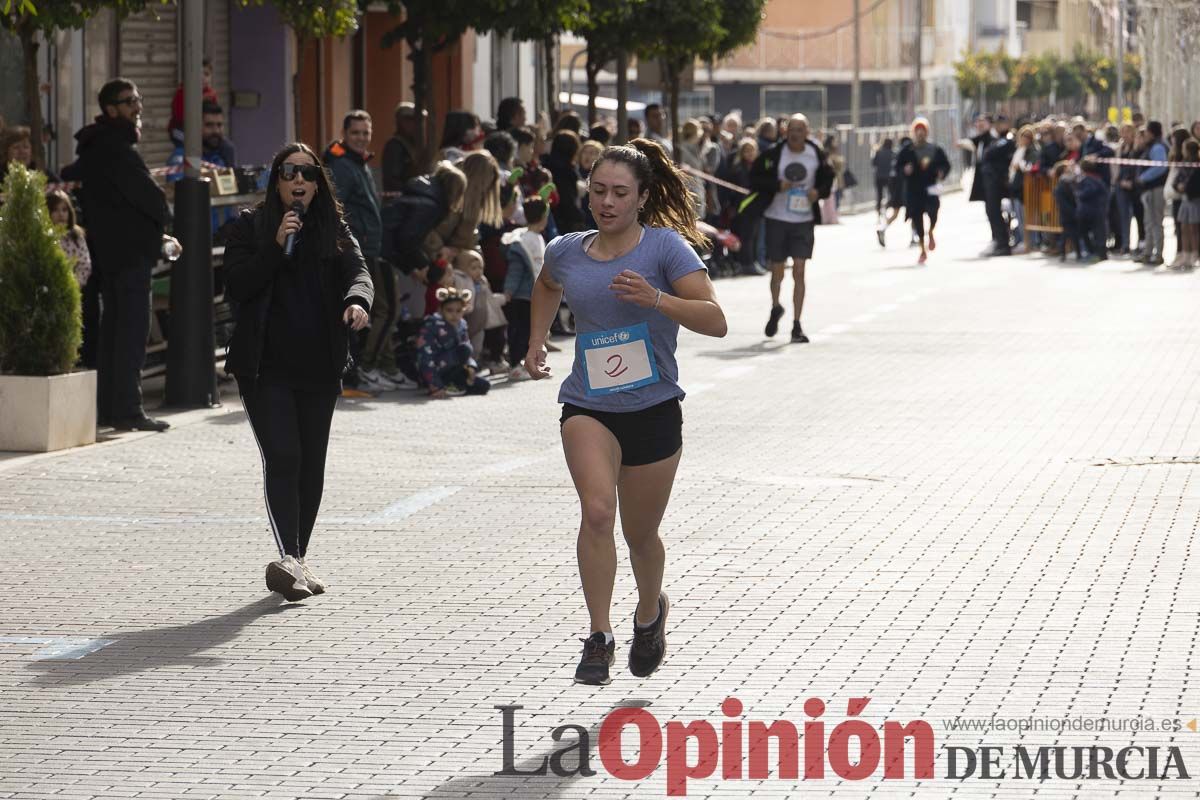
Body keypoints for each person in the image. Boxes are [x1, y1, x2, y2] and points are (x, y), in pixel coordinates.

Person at [525, 138, 728, 686]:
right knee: (596, 512)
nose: (606, 202)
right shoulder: (566, 250)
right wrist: (536, 341)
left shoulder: (665, 251)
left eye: (619, 193)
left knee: (641, 534)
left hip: (654, 408)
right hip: (588, 405)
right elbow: (545, 286)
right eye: (597, 191)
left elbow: (715, 319)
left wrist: (656, 299)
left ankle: (648, 613)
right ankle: (598, 636)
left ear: (641, 198)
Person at [222, 143, 373, 602]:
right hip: (264, 367)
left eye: (307, 173)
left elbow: (359, 272)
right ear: (277, 182)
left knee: (311, 465)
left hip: (319, 365)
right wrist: (274, 247)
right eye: (289, 173)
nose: (299, 180)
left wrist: (357, 301)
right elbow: (237, 285)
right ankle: (288, 556)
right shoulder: (249, 227)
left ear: (317, 183)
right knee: (284, 456)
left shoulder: (335, 229)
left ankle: (298, 561)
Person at [63, 78, 173, 431]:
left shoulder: (99, 147)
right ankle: (127, 409)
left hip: (111, 256)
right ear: (111, 109)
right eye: (129, 102)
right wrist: (162, 221)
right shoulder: (116, 151)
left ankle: (113, 408)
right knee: (129, 333)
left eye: (138, 99)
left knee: (115, 333)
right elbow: (151, 199)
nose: (137, 106)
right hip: (126, 257)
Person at [743, 113, 834, 343]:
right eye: (791, 129)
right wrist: (777, 185)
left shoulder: (816, 153)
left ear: (807, 132)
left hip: (803, 220)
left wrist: (818, 192)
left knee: (800, 271)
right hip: (777, 217)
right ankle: (775, 307)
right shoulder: (773, 154)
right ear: (786, 131)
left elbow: (829, 178)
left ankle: (797, 325)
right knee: (777, 270)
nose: (795, 134)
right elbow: (754, 179)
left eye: (800, 130)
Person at [501, 196, 549, 378]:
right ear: (543, 216)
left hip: (534, 294)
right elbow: (516, 268)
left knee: (532, 332)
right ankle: (515, 364)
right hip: (522, 295)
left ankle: (527, 364)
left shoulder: (537, 237)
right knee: (521, 331)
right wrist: (509, 291)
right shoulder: (523, 240)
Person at [895, 117, 950, 265]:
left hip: (930, 187)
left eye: (923, 130)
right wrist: (904, 170)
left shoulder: (935, 149)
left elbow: (946, 165)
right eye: (917, 130)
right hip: (913, 189)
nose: (920, 133)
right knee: (917, 218)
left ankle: (931, 231)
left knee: (933, 212)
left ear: (927, 132)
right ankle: (922, 249)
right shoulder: (907, 151)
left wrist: (941, 173)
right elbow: (897, 167)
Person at [417, 286, 490, 397]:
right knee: (464, 349)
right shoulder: (432, 326)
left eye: (458, 311)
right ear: (441, 310)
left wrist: (471, 366)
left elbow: (467, 351)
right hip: (436, 370)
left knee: (484, 386)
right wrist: (435, 386)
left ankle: (455, 385)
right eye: (449, 310)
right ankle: (442, 385)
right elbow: (425, 358)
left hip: (455, 368)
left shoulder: (462, 325)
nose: (454, 315)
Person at [1134, 121, 1169, 267]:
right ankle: (1148, 253)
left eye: (1147, 132)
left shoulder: (1158, 147)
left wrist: (1143, 177)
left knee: (1155, 222)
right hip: (1149, 190)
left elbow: (1160, 167)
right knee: (1149, 222)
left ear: (1152, 132)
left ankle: (1158, 254)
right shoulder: (1152, 146)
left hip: (1156, 189)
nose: (1145, 135)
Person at [979, 115, 1015, 255]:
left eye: (1001, 123)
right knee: (991, 211)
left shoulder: (1008, 139)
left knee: (994, 211)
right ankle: (998, 241)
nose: (998, 126)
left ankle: (1003, 244)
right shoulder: (997, 139)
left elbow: (990, 153)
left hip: (997, 180)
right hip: (990, 181)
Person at [167, 57, 219, 145]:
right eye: (199, 74)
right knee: (194, 145)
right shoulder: (182, 92)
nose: (203, 78)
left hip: (202, 130)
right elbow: (180, 117)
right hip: (180, 129)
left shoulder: (211, 94)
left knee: (226, 147)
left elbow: (215, 116)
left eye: (206, 74)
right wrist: (199, 101)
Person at [46, 189, 92, 286]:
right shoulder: (44, 236)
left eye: (64, 210)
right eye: (55, 210)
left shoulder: (76, 235)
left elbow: (84, 264)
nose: (61, 214)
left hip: (71, 288)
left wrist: (72, 284)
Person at [544, 130, 585, 234]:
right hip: (564, 223)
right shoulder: (567, 172)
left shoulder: (546, 166)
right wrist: (581, 217)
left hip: (551, 218)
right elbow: (568, 200)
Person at [1008, 125, 1040, 253]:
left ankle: (1031, 242)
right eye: (1023, 136)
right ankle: (1022, 240)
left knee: (1027, 216)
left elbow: (1029, 167)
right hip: (1016, 187)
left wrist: (1020, 166)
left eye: (1028, 136)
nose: (1025, 139)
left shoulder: (1033, 151)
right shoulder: (1019, 149)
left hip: (1026, 189)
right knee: (1019, 216)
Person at [382, 102, 426, 192]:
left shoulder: (415, 145)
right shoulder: (394, 146)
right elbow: (393, 181)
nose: (417, 125)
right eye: (411, 120)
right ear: (402, 122)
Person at [1171, 139, 1200, 270]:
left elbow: (1196, 183)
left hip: (1194, 199)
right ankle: (1185, 254)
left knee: (1194, 229)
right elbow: (1176, 180)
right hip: (1184, 200)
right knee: (1183, 227)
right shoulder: (1183, 163)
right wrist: (1178, 186)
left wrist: (1186, 187)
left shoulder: (1197, 164)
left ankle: (1195, 254)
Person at [1074, 157, 1109, 263]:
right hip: (1098, 209)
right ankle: (1100, 253)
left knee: (1089, 232)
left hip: (1089, 211)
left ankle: (1096, 253)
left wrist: (1078, 194)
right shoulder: (1098, 179)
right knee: (1099, 232)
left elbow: (1088, 191)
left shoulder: (1087, 180)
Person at [871, 138, 895, 217]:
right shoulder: (893, 153)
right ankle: (887, 207)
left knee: (879, 195)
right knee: (890, 194)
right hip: (889, 177)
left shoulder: (878, 152)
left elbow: (874, 163)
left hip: (879, 176)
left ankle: (878, 210)